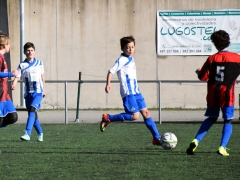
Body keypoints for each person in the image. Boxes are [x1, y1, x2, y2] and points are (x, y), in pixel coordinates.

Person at [186, 30, 240, 156]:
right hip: (227, 96)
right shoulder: (236, 58)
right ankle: (222, 147)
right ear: (228, 41)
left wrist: (198, 72)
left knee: (211, 118)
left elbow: (203, 77)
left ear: (215, 44)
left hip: (213, 94)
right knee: (228, 120)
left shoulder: (211, 58)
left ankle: (196, 140)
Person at [100, 35, 161, 145]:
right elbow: (111, 71)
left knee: (146, 113)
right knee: (135, 116)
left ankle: (156, 138)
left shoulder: (131, 58)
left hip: (136, 92)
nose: (130, 49)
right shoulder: (122, 60)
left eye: (132, 47)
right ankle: (108, 118)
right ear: (122, 49)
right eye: (128, 47)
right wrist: (108, 84)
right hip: (128, 93)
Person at [11, 42, 46, 142]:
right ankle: (40, 132)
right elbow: (17, 76)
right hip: (28, 94)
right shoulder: (22, 65)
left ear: (34, 52)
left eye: (31, 50)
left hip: (38, 93)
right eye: (28, 50)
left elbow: (42, 78)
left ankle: (27, 133)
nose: (30, 52)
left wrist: (44, 90)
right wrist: (14, 84)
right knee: (33, 115)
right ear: (24, 52)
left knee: (31, 110)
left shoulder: (39, 63)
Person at [0, 31, 18, 128]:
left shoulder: (3, 57)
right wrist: (11, 73)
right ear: (4, 45)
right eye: (9, 44)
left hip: (5, 94)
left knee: (12, 117)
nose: (9, 46)